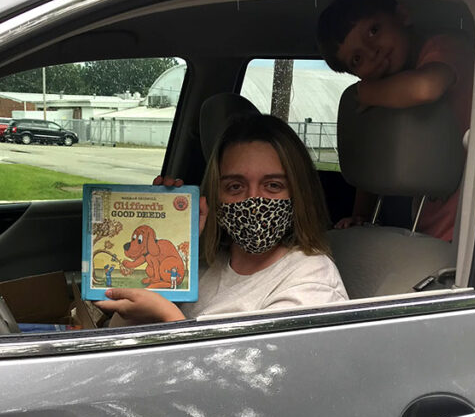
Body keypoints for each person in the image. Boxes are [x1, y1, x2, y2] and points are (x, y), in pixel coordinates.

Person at [95, 113, 347, 323]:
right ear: (216, 195)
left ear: (299, 193)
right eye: (235, 187)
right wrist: (171, 232)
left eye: (273, 185)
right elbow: (121, 336)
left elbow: (262, 368)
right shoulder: (202, 263)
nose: (253, 202)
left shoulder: (312, 281)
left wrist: (166, 316)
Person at [317, 0, 474, 241]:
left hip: (470, 229)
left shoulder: (446, 47)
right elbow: (375, 158)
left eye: (373, 31)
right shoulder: (392, 92)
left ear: (402, 15)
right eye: (357, 59)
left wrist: (366, 92)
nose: (372, 52)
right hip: (432, 228)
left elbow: (425, 88)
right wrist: (361, 217)